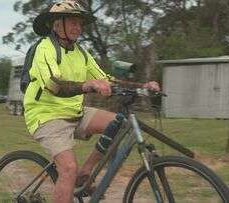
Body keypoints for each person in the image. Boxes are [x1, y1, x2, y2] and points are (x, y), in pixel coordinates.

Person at [24, 1, 160, 202]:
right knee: (68, 169)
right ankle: (75, 175)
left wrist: (142, 85)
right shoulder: (45, 49)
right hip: (46, 115)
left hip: (75, 110)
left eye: (80, 24)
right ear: (56, 24)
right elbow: (54, 85)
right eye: (72, 22)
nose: (78, 28)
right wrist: (88, 85)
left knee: (121, 125)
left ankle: (86, 172)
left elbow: (106, 79)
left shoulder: (81, 53)